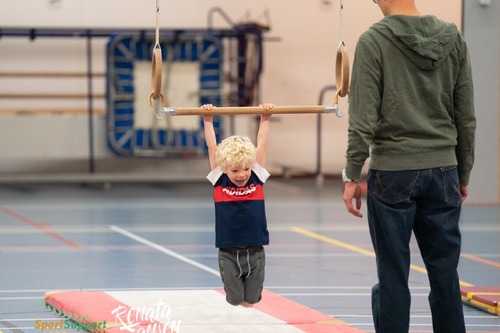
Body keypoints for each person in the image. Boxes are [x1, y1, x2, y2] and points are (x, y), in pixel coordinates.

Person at [342, 1, 476, 332]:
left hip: (393, 173)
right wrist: (464, 171)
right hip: (444, 169)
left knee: (392, 275)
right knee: (445, 275)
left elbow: (363, 119)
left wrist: (351, 173)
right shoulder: (453, 38)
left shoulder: (373, 41)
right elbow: (466, 115)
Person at [202, 103, 273, 307]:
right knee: (234, 299)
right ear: (224, 169)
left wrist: (265, 117)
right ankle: (235, 293)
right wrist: (208, 119)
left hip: (255, 249)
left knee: (252, 299)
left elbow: (262, 145)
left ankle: (249, 295)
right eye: (235, 171)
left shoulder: (256, 176)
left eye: (245, 169)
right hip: (228, 251)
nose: (241, 174)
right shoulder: (219, 179)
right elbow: (212, 147)